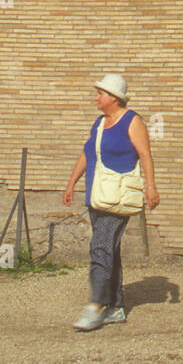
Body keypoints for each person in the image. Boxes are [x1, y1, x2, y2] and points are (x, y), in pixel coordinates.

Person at [63, 73, 160, 330]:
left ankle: (95, 305)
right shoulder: (99, 123)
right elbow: (87, 153)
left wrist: (151, 187)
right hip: (96, 194)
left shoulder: (132, 121)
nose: (96, 97)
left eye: (101, 93)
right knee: (109, 249)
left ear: (114, 98)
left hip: (117, 196)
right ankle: (115, 307)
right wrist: (72, 182)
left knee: (100, 246)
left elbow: (145, 154)